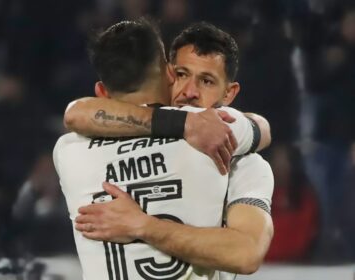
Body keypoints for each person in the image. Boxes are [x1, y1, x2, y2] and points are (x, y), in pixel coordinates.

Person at [54, 19, 273, 279]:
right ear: (169, 74)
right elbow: (260, 128)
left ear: (229, 94)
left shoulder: (69, 150)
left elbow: (76, 113)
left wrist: (143, 226)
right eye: (182, 74)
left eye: (206, 81)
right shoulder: (226, 137)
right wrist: (187, 123)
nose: (190, 92)